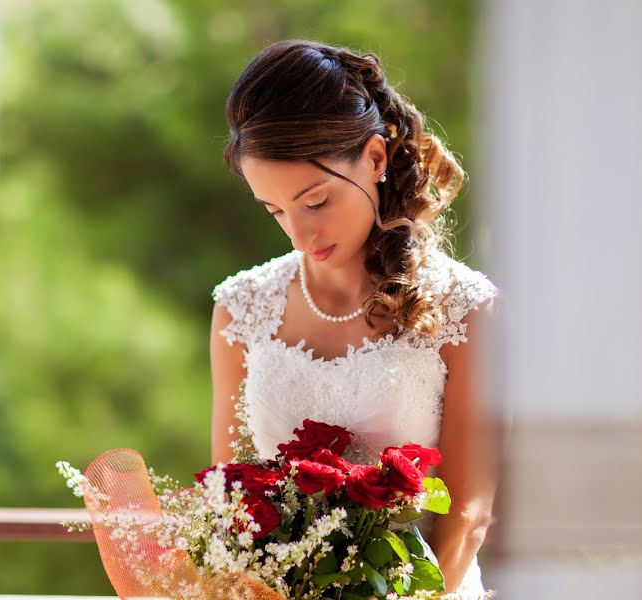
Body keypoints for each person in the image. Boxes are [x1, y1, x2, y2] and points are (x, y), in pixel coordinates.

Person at [209, 39, 499, 599]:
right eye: (275, 211)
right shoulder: (240, 309)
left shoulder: (467, 310)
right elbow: (228, 499)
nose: (299, 235)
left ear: (375, 158)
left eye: (315, 202)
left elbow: (468, 510)